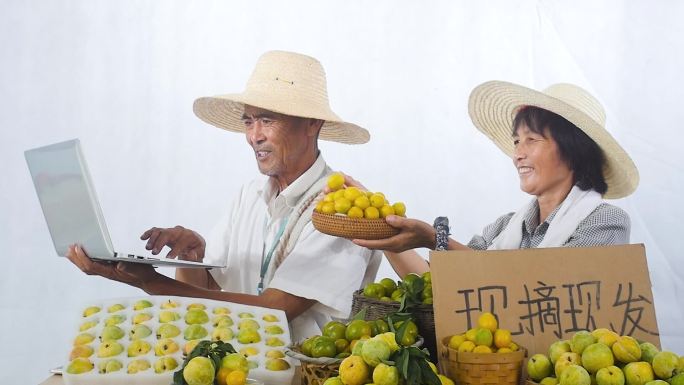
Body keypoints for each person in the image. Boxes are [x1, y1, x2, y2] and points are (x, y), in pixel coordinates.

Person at [67, 50, 382, 341]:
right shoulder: (249, 196)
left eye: (267, 121)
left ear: (313, 124)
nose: (253, 136)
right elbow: (208, 297)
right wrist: (193, 261)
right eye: (249, 121)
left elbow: (276, 309)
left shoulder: (339, 209)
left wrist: (150, 281)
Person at [351, 81, 639, 278]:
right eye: (516, 142)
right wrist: (386, 228)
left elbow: (543, 285)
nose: (518, 155)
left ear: (573, 151)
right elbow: (445, 283)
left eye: (532, 140)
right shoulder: (504, 228)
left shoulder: (605, 223)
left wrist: (434, 239)